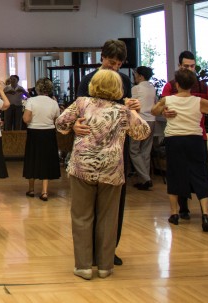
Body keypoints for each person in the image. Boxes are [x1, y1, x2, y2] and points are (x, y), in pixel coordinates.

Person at [56, 69, 150, 280]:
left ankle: (83, 266)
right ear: (119, 89)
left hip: (82, 167)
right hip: (112, 169)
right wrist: (133, 111)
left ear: (93, 85)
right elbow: (142, 133)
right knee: (108, 218)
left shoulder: (81, 103)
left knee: (81, 216)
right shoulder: (122, 111)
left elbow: (61, 124)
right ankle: (106, 266)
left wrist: (74, 126)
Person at [75, 39, 132, 267]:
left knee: (114, 205)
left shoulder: (125, 81)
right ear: (102, 58)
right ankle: (88, 253)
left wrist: (133, 110)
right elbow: (77, 110)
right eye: (110, 62)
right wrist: (76, 125)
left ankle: (109, 250)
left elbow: (128, 114)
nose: (114, 68)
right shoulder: (88, 80)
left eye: (118, 64)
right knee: (87, 207)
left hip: (116, 150)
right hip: (89, 149)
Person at [152, 69, 208, 231]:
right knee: (200, 175)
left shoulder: (168, 99)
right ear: (192, 85)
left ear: (177, 84)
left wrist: (164, 111)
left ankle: (174, 213)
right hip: (195, 140)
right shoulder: (198, 101)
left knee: (174, 174)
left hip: (174, 140)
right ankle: (206, 214)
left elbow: (153, 111)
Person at [23, 78, 61, 201]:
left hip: (34, 133)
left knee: (32, 158)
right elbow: (58, 120)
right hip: (49, 133)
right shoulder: (53, 102)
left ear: (37, 88)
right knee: (46, 160)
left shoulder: (31, 101)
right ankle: (44, 191)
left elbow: (26, 119)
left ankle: (31, 189)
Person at [129, 66, 157, 190]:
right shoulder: (152, 88)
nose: (134, 77)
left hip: (139, 121)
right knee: (146, 150)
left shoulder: (136, 88)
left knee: (134, 150)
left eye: (135, 74)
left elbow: (131, 104)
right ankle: (144, 180)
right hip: (152, 121)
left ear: (140, 76)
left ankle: (146, 178)